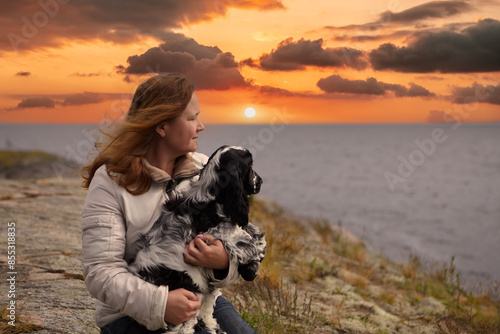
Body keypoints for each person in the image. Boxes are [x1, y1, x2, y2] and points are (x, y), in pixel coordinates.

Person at [80, 73, 259, 334]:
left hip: (203, 300)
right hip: (130, 314)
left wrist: (223, 261)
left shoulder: (206, 168)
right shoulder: (110, 181)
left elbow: (240, 242)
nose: (201, 126)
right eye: (191, 118)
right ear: (161, 127)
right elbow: (100, 273)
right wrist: (160, 303)